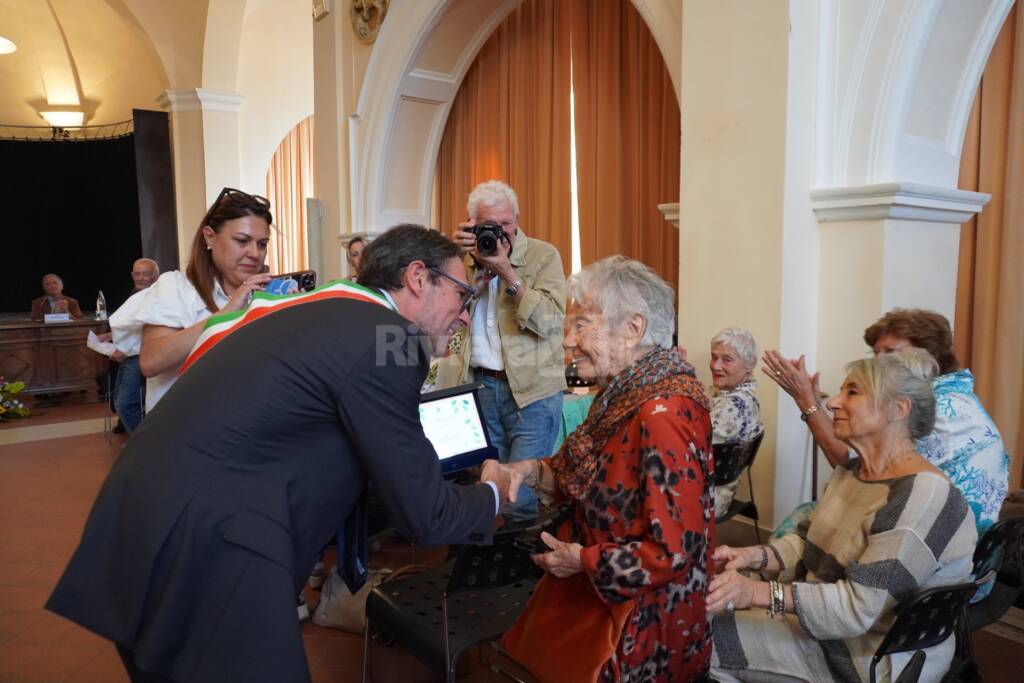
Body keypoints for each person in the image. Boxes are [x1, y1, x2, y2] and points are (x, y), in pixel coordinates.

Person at [47, 224, 510, 683]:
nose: (464, 315)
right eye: (461, 295)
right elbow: (425, 515)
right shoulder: (393, 337)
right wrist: (492, 490)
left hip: (140, 524)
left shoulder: (315, 310)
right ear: (417, 277)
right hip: (212, 549)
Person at [484, 256, 715, 681]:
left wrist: (584, 561)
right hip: (595, 602)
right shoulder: (619, 395)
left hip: (641, 626)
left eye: (582, 324)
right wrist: (526, 471)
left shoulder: (663, 412)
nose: (567, 341)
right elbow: (584, 481)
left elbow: (674, 551)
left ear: (633, 329)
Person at [708, 349, 977, 682]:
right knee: (698, 617)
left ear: (898, 409)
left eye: (853, 392)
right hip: (832, 628)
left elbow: (856, 608)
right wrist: (750, 556)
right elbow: (807, 542)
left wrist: (756, 593)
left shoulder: (921, 496)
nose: (832, 402)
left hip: (870, 656)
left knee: (701, 640)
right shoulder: (853, 471)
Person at [764, 308, 1009, 537]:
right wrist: (814, 403)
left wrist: (807, 402)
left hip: (937, 550)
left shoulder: (940, 409)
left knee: (809, 523)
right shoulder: (945, 395)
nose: (878, 362)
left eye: (890, 352)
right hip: (919, 524)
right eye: (876, 352)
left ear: (929, 356)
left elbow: (853, 467)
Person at [455, 179, 567, 522]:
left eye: (505, 223)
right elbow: (449, 316)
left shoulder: (543, 256)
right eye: (490, 225)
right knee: (490, 485)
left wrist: (506, 272)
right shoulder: (465, 259)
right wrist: (462, 264)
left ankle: (526, 569)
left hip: (532, 393)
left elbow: (550, 322)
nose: (500, 232)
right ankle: (493, 565)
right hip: (481, 388)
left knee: (522, 492)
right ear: (474, 224)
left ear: (516, 220)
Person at [121, 188, 275, 412]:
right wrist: (224, 316)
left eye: (262, 244)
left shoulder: (266, 293)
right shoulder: (175, 287)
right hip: (186, 429)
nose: (255, 253)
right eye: (242, 241)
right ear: (209, 236)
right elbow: (151, 361)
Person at [709, 327, 764, 518]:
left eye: (727, 359)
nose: (715, 366)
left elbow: (685, 446)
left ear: (750, 364)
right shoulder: (739, 395)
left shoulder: (732, 406)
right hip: (717, 492)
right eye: (714, 357)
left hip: (707, 499)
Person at [104, 258, 160, 433]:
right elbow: (132, 327)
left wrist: (125, 349)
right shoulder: (134, 294)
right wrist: (107, 336)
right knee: (119, 401)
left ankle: (143, 443)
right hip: (127, 356)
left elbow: (152, 331)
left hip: (141, 356)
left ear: (156, 276)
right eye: (137, 273)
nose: (141, 278)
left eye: (146, 274)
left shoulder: (160, 298)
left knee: (125, 404)